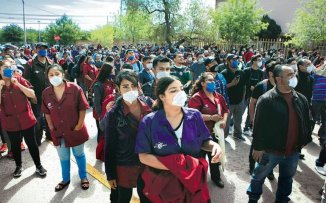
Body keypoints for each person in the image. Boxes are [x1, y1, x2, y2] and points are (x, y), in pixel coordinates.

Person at [135, 76, 222, 203]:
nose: (180, 93)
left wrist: (215, 146)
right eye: (173, 90)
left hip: (193, 182)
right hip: (163, 188)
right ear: (162, 96)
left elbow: (204, 141)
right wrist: (178, 168)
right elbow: (143, 156)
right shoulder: (149, 122)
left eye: (181, 89)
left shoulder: (195, 115)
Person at [247, 65, 313, 203]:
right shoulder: (266, 100)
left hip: (293, 151)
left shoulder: (301, 98)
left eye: (294, 73)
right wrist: (258, 147)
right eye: (289, 74)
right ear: (278, 79)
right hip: (271, 151)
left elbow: (308, 120)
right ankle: (253, 198)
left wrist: (304, 139)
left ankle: (282, 200)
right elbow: (259, 126)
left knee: (287, 178)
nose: (294, 76)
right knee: (258, 176)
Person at [103, 70, 153, 203]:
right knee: (123, 198)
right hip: (124, 165)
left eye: (133, 85)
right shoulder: (114, 113)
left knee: (147, 197)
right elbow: (109, 146)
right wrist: (111, 174)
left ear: (138, 87)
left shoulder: (149, 105)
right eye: (125, 86)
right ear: (118, 89)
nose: (130, 89)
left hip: (148, 163)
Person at [41, 64, 90, 192]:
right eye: (51, 75)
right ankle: (65, 179)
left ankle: (83, 177)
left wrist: (79, 124)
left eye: (57, 74)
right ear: (47, 77)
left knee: (79, 154)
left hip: (75, 130)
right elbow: (46, 112)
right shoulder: (46, 93)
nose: (54, 77)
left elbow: (82, 107)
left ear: (63, 74)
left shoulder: (74, 88)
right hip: (59, 132)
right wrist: (51, 127)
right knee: (63, 157)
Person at [0, 60, 47, 177]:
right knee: (15, 146)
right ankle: (18, 166)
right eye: (5, 67)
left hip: (26, 119)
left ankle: (38, 166)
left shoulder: (19, 79)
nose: (8, 69)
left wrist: (18, 84)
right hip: (10, 122)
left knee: (32, 144)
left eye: (10, 67)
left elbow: (32, 94)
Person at [188, 72, 229, 188]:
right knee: (199, 159)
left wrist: (224, 121)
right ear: (202, 83)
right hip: (200, 135)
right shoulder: (197, 97)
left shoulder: (218, 96)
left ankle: (216, 178)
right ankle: (198, 180)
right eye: (209, 81)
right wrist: (211, 117)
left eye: (213, 80)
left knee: (215, 157)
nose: (213, 82)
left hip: (215, 134)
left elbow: (226, 110)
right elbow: (192, 115)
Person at [248, 61, 278, 178]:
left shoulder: (282, 86)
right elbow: (252, 103)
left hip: (275, 125)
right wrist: (252, 120)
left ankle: (269, 169)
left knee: (272, 148)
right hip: (260, 123)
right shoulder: (262, 86)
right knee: (256, 146)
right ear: (271, 73)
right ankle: (252, 167)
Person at [25, 43, 53, 145]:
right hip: (36, 97)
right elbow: (26, 81)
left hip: (50, 97)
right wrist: (31, 96)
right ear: (36, 50)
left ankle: (50, 135)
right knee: (38, 119)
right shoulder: (30, 64)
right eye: (40, 48)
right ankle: (37, 139)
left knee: (51, 117)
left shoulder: (50, 63)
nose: (43, 50)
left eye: (45, 48)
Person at [221, 54, 246, 141]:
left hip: (239, 101)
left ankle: (237, 134)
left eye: (236, 59)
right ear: (228, 62)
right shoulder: (224, 73)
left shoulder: (241, 72)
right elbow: (221, 87)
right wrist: (231, 84)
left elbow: (244, 86)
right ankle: (224, 136)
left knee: (238, 120)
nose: (235, 61)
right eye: (233, 59)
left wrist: (243, 98)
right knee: (226, 121)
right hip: (228, 102)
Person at [92, 63, 116, 142]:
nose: (113, 73)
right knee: (101, 133)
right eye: (112, 72)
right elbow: (97, 103)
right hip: (101, 113)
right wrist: (100, 116)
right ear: (107, 72)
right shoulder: (98, 85)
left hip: (109, 111)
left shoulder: (110, 81)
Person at [243, 54, 264, 134]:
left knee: (251, 112)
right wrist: (249, 87)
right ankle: (231, 124)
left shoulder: (261, 72)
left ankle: (246, 128)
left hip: (255, 95)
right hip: (246, 95)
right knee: (241, 111)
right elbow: (243, 83)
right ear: (253, 61)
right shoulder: (247, 71)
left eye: (260, 60)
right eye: (258, 60)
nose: (260, 62)